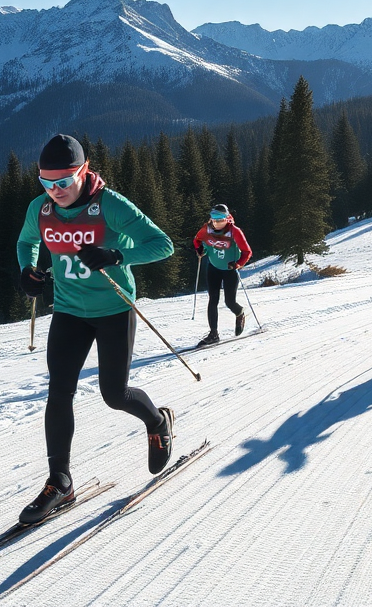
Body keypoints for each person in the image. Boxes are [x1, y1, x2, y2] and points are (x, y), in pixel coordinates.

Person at [16, 134, 176, 524]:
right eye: (46, 183)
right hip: (69, 311)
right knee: (59, 392)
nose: (55, 192)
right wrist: (28, 271)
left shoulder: (110, 206)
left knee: (114, 394)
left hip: (113, 309)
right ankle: (61, 481)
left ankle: (157, 421)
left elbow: (163, 245)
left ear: (83, 172)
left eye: (64, 182)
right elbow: (27, 242)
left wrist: (118, 254)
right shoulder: (40, 209)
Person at [192, 203, 252, 347]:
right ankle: (213, 334)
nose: (217, 223)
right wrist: (200, 250)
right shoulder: (205, 230)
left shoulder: (234, 232)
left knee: (229, 302)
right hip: (213, 268)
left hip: (230, 270)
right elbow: (197, 240)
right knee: (213, 300)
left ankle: (240, 313)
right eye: (214, 219)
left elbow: (247, 252)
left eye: (220, 219)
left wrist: (237, 264)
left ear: (227, 218)